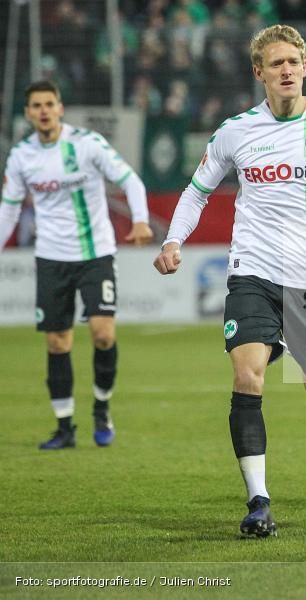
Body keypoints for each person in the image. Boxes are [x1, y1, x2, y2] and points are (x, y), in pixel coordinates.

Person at [153, 24, 306, 537]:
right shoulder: (235, 131)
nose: (286, 70)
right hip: (252, 272)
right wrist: (173, 240)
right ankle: (258, 502)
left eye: (293, 62)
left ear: (305, 67)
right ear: (258, 72)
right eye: (275, 63)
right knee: (248, 377)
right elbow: (196, 193)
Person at [0, 79, 151, 450]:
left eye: (49, 104)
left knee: (103, 333)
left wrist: (141, 219)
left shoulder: (87, 144)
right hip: (51, 257)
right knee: (57, 342)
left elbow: (129, 179)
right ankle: (64, 426)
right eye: (36, 105)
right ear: (28, 113)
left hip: (95, 254)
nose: (44, 111)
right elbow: (9, 207)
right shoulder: (22, 156)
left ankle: (101, 406)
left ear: (60, 107)